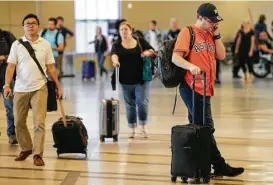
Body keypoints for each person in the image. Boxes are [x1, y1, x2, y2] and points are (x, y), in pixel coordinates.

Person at [172, 3, 244, 177]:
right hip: (192, 87)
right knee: (206, 128)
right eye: (211, 21)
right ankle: (219, 165)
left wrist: (217, 34)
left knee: (198, 129)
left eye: (215, 22)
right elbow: (176, 57)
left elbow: (221, 55)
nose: (213, 24)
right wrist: (191, 67)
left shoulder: (211, 35)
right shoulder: (187, 32)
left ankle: (197, 165)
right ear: (201, 18)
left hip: (206, 88)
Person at [4, 13, 62, 166]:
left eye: (33, 23)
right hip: (20, 88)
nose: (30, 25)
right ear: (23, 27)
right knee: (18, 122)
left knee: (39, 123)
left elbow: (51, 67)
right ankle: (26, 147)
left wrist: (57, 85)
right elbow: (11, 66)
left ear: (38, 26)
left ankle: (38, 154)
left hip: (40, 87)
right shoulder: (16, 45)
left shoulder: (46, 44)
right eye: (27, 23)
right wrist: (7, 85)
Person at [111, 21, 154, 138]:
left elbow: (152, 50)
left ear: (130, 31)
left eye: (126, 29)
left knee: (142, 103)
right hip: (125, 80)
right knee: (130, 105)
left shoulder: (139, 41)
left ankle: (143, 127)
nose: (124, 32)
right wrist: (115, 61)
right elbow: (114, 54)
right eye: (121, 30)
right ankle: (132, 129)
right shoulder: (117, 44)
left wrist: (146, 53)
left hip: (141, 79)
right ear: (119, 32)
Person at [0, 28, 17, 144]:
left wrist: (5, 58)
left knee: (10, 107)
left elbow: (17, 54)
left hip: (6, 79)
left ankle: (12, 134)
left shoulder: (7, 36)